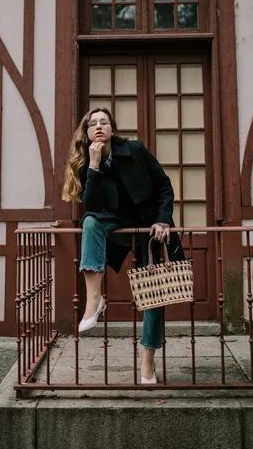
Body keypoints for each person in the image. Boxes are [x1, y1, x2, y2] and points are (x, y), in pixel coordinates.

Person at [62, 107, 185, 383]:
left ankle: (148, 363)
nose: (98, 126)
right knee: (90, 221)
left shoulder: (135, 149)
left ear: (112, 129)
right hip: (117, 224)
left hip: (151, 227)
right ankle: (94, 300)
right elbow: (92, 206)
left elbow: (164, 186)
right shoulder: (87, 164)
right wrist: (93, 166)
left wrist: (163, 221)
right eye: (92, 123)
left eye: (104, 122)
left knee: (154, 295)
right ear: (87, 133)